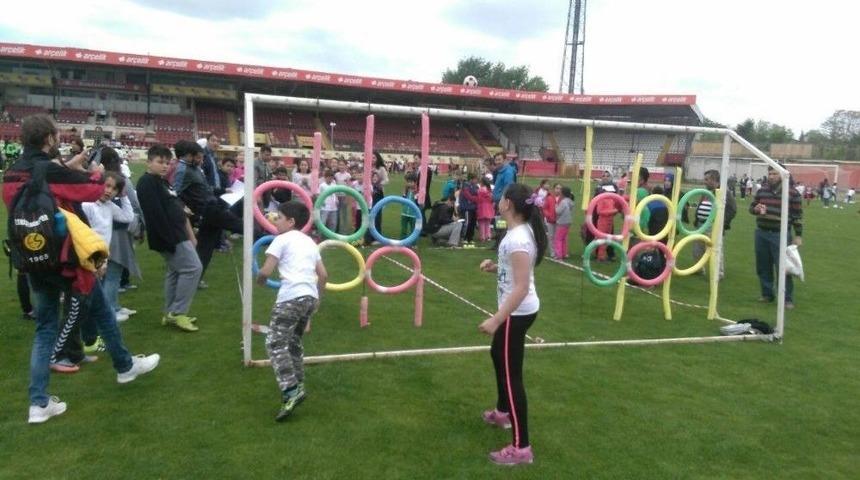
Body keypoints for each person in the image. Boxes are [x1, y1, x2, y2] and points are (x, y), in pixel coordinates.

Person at [3, 114, 159, 423]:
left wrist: (68, 168)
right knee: (99, 311)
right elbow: (91, 189)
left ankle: (39, 402)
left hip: (34, 257)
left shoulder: (11, 173)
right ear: (49, 138)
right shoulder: (48, 170)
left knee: (48, 326)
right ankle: (125, 367)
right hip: (66, 258)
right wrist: (95, 172)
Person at [477, 183, 546, 466]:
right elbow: (518, 271)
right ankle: (503, 412)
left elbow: (521, 287)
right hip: (517, 310)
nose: (499, 199)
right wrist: (497, 268)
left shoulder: (518, 239)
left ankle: (521, 447)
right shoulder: (519, 233)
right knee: (498, 355)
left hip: (515, 313)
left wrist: (497, 319)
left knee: (511, 376)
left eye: (502, 196)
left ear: (508, 204)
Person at [256, 200, 327, 421]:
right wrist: (318, 300)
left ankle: (290, 389)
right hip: (309, 297)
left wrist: (260, 280)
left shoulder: (281, 239)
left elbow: (266, 271)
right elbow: (323, 275)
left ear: (291, 222)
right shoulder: (310, 242)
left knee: (275, 343)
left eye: (279, 217)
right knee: (294, 341)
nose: (275, 221)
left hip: (290, 298)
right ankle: (299, 383)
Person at [137, 144, 202, 331]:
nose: (165, 166)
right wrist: (169, 240)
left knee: (175, 271)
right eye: (160, 162)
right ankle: (178, 312)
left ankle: (170, 312)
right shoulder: (147, 183)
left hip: (177, 233)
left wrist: (187, 228)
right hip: (170, 236)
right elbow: (155, 215)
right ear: (149, 162)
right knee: (193, 268)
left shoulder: (162, 181)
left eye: (167, 162)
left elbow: (175, 205)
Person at [172, 140, 242, 286]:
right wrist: (183, 207)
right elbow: (175, 192)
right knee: (242, 226)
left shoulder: (195, 168)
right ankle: (271, 237)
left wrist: (223, 190)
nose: (201, 160)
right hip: (208, 211)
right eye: (198, 157)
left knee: (205, 248)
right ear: (189, 156)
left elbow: (205, 188)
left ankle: (194, 279)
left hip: (211, 207)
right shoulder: (182, 170)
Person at [81, 172, 135, 322]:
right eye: (107, 186)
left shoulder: (109, 206)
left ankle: (103, 313)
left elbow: (128, 217)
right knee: (91, 288)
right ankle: (102, 315)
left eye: (114, 189)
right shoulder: (88, 205)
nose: (109, 191)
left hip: (102, 254)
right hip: (90, 253)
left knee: (97, 287)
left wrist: (124, 197)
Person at [749, 166, 802, 309]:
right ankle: (767, 294)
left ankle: (786, 299)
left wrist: (798, 235)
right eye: (770, 173)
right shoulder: (762, 190)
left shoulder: (792, 193)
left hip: (780, 234)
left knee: (783, 267)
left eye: (775, 173)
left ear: (783, 175)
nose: (771, 176)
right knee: (763, 266)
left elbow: (797, 216)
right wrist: (755, 209)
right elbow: (751, 208)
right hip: (761, 233)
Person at [691, 170, 736, 278]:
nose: (704, 181)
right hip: (700, 226)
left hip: (713, 227)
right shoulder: (705, 192)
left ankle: (718, 273)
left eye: (707, 179)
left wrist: (721, 222)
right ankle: (698, 269)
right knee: (697, 249)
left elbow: (732, 209)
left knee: (715, 250)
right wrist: (697, 219)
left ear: (714, 180)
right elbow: (701, 205)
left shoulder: (724, 192)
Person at [553, 186, 574, 259]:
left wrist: (556, 206)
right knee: (564, 238)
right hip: (568, 222)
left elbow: (558, 211)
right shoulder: (570, 201)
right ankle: (564, 253)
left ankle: (559, 255)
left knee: (558, 239)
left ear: (563, 194)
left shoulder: (563, 202)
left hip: (562, 222)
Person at [459, 173, 479, 246]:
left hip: (473, 208)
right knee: (467, 223)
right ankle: (464, 238)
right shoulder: (465, 186)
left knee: (473, 223)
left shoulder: (476, 186)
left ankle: (470, 238)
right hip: (466, 207)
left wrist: (475, 199)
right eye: (475, 179)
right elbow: (468, 196)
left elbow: (478, 196)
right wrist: (475, 199)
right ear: (471, 179)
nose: (476, 181)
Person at [318, 169, 339, 233]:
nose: (330, 179)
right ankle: (320, 235)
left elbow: (335, 194)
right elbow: (319, 195)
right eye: (328, 177)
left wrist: (337, 200)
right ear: (325, 177)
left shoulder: (334, 185)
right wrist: (322, 202)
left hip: (334, 207)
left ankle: (332, 236)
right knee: (322, 222)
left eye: (331, 178)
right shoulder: (322, 185)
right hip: (324, 207)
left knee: (333, 223)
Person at [476, 176, 495, 242]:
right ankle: (488, 236)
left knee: (482, 223)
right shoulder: (489, 190)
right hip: (489, 208)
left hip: (482, 207)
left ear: (482, 182)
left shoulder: (480, 190)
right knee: (487, 223)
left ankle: (482, 237)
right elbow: (492, 199)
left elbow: (478, 199)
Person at [542, 183, 558, 258]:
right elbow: (544, 208)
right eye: (557, 188)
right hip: (550, 220)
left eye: (560, 188)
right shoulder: (549, 198)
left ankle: (558, 251)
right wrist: (548, 215)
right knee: (551, 236)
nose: (558, 190)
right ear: (553, 189)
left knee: (558, 236)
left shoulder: (562, 198)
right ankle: (552, 252)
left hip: (559, 221)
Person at [401, 173, 419, 239]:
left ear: (415, 182)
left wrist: (415, 194)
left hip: (413, 215)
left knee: (413, 230)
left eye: (411, 182)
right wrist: (404, 193)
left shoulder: (417, 192)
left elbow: (417, 204)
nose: (409, 184)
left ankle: (413, 242)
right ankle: (402, 241)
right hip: (404, 213)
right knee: (403, 229)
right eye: (408, 182)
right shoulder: (406, 191)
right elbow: (402, 202)